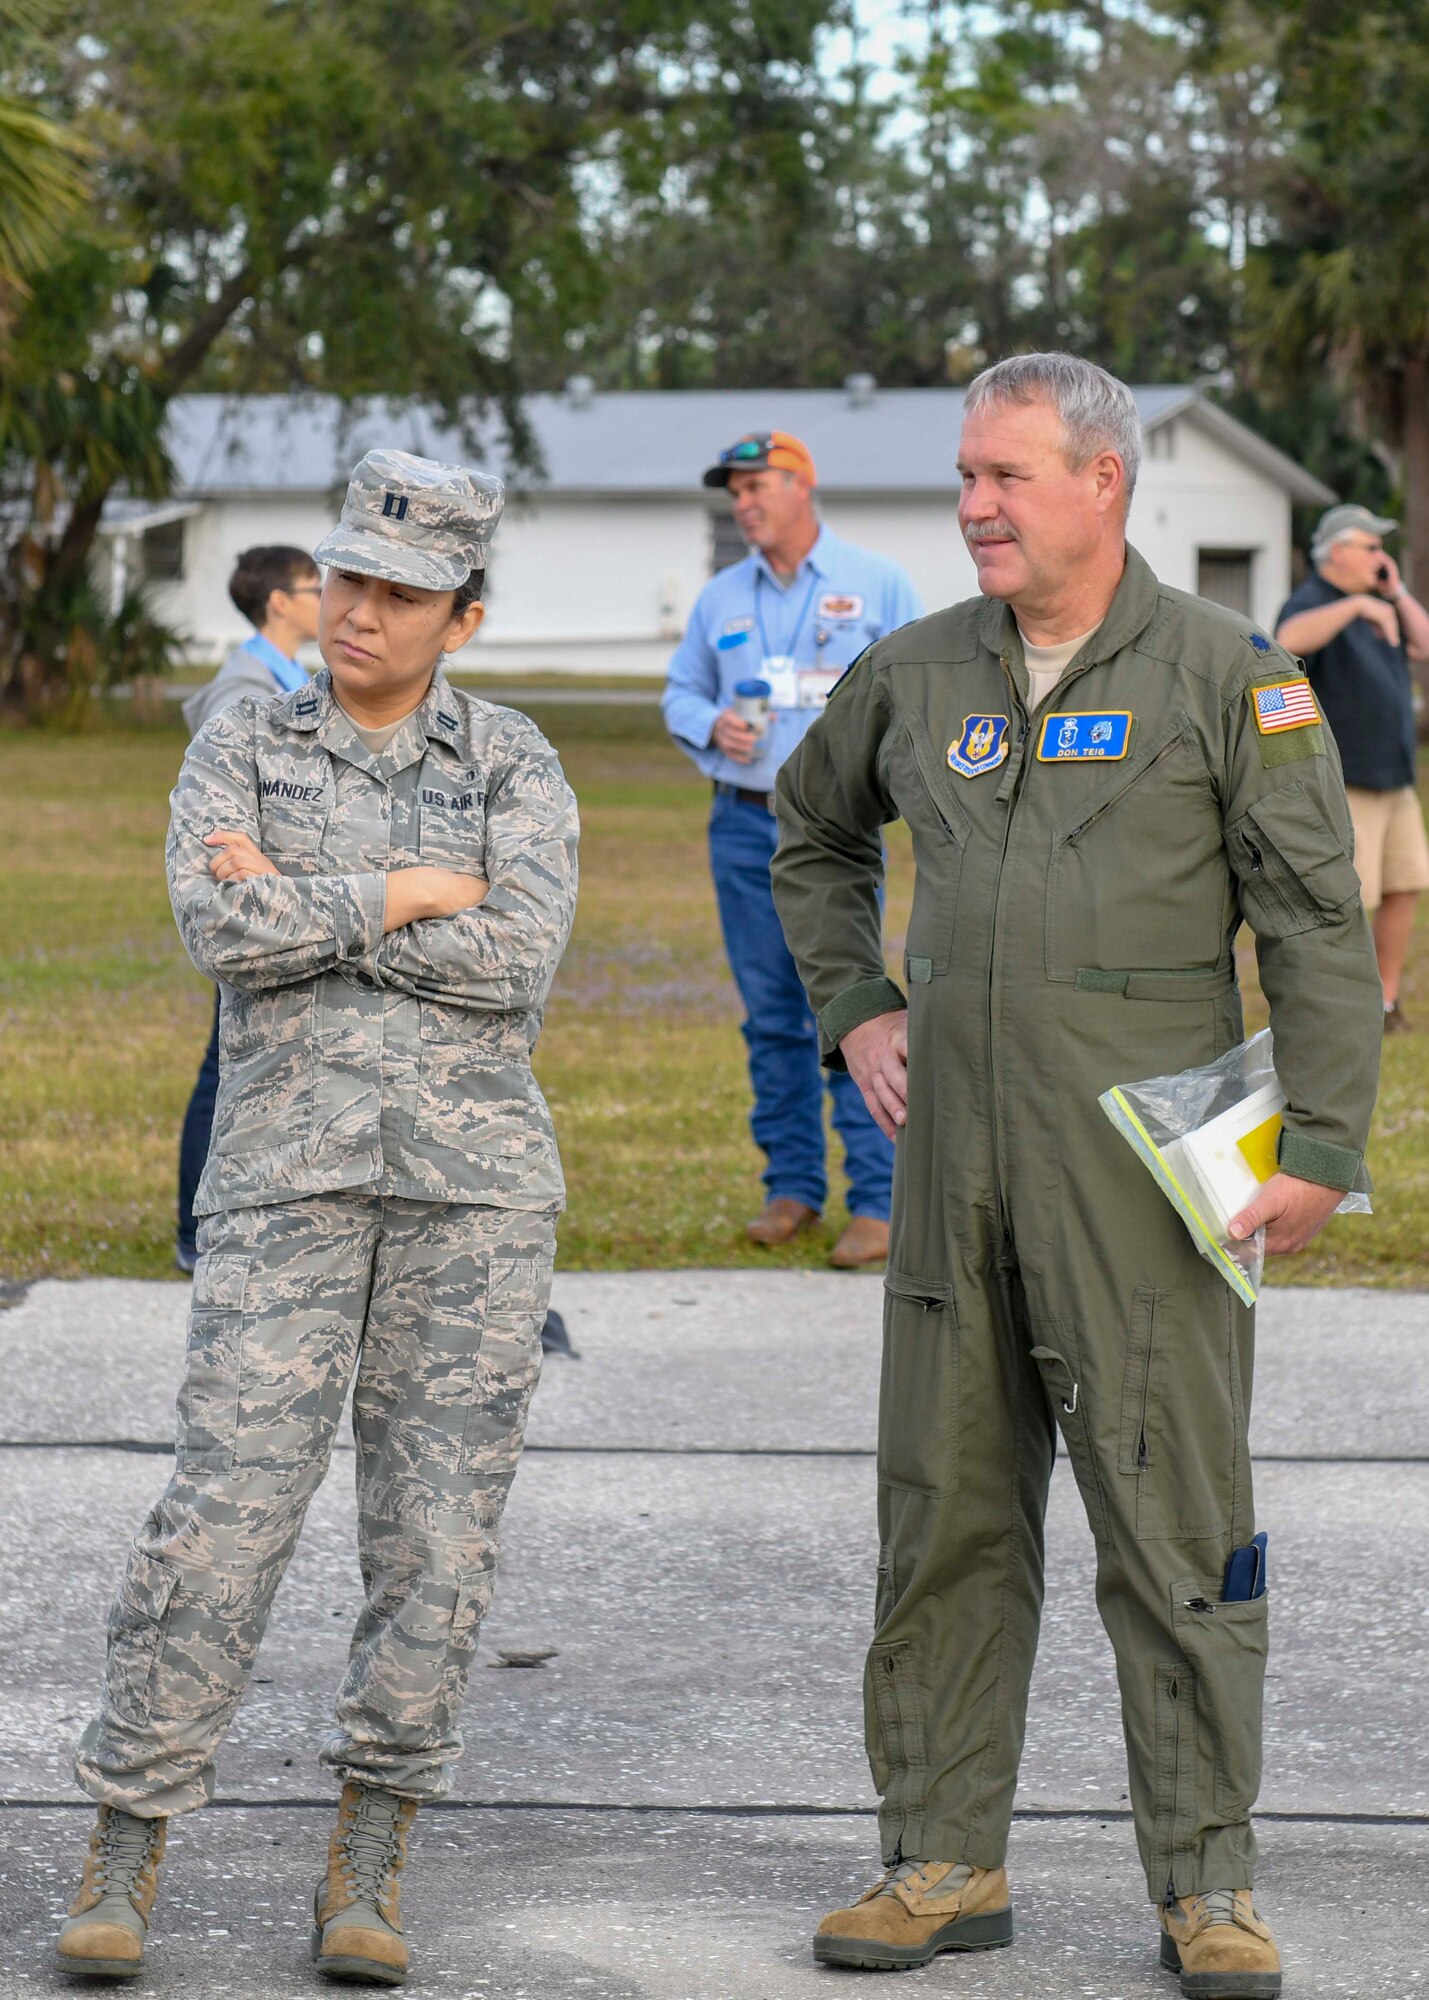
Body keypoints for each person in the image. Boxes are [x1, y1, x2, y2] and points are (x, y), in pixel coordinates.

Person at [770, 354, 1381, 1996]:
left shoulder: (1221, 680)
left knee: (1175, 1526)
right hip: (952, 1178)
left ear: (1099, 483)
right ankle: (939, 1864)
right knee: (943, 1524)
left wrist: (1321, 1143)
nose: (972, 504)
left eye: (1004, 477)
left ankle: (1204, 1887)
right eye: (964, 477)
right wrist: (856, 1006)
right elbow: (808, 837)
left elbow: (1316, 928)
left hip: (1145, 1185)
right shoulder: (908, 675)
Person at [55, 450, 578, 1987]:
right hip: (282, 1179)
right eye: (347, 579)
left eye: (399, 592)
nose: (357, 610)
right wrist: (414, 890)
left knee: (434, 1544)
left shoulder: (517, 760)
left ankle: (370, 1862)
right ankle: (127, 1850)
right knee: (218, 1521)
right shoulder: (241, 741)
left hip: (471, 1197)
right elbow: (219, 923)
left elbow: (521, 957)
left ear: (459, 616)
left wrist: (322, 900)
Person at [662, 430, 923, 1269]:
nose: (742, 505)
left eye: (755, 487)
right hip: (744, 821)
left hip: (838, 830)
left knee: (848, 1008)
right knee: (770, 1016)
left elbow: (919, 694)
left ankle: (878, 1202)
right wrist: (710, 724)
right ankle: (792, 1188)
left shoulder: (876, 584)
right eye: (732, 493)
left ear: (801, 486)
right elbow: (680, 691)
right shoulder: (720, 598)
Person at [175, 546, 322, 1272]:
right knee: (226, 1064)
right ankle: (195, 1233)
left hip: (286, 900)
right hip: (251, 906)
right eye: (314, 588)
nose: (328, 600)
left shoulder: (290, 677)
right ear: (278, 604)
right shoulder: (245, 690)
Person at [1275, 503, 1429, 1032]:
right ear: (1338, 551)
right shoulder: (1313, 601)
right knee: (1347, 903)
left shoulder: (1381, 600)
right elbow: (1285, 640)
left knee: (1405, 884)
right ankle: (1343, 1007)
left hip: (1396, 777)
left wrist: (1396, 593)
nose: (1380, 557)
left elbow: (1425, 644)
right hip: (1348, 782)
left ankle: (1384, 1003)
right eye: (1371, 547)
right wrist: (1357, 610)